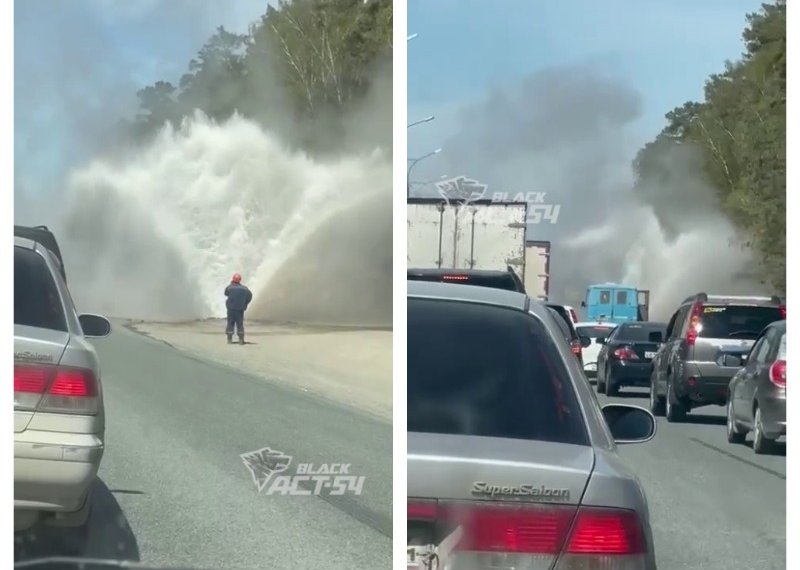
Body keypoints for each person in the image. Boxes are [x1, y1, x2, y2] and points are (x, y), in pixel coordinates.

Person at [224, 273, 253, 345]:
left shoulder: (229, 287)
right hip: (240, 309)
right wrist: (245, 303)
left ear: (233, 279)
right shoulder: (245, 289)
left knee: (230, 323)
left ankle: (229, 340)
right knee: (240, 324)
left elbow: (226, 293)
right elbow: (249, 297)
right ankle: (241, 340)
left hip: (231, 309)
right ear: (240, 280)